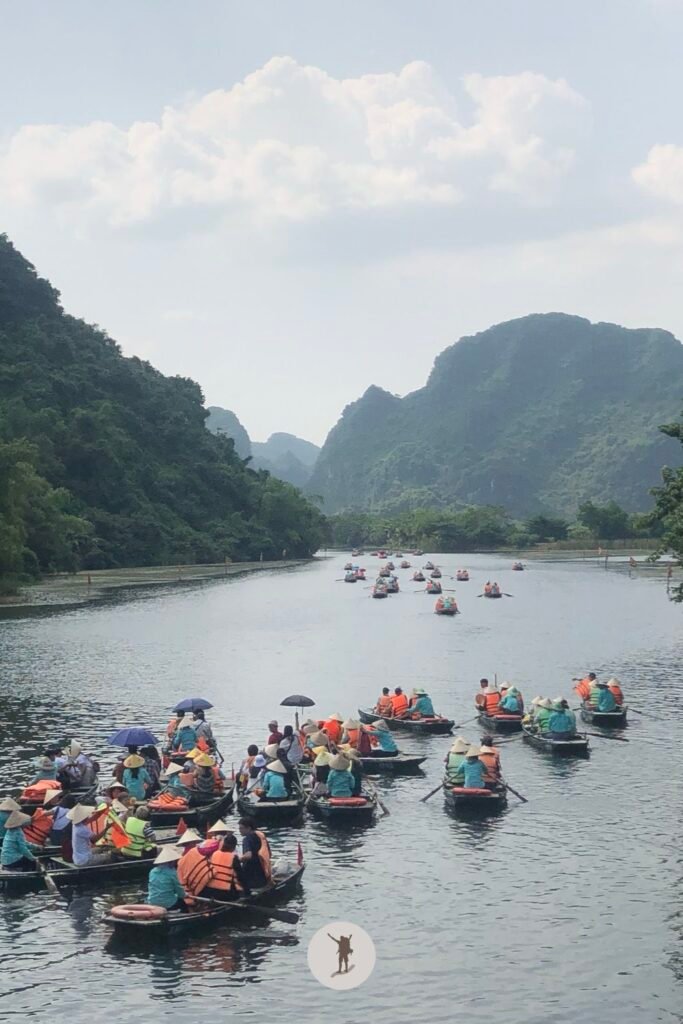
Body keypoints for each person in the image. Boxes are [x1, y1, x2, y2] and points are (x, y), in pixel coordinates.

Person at [205, 832, 251, 901]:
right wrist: (248, 892)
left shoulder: (214, 854)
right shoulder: (233, 857)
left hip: (210, 890)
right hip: (226, 892)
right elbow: (241, 877)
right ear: (234, 846)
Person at [146, 845, 188, 911]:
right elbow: (179, 889)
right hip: (168, 903)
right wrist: (184, 895)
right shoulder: (171, 872)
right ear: (170, 861)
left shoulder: (152, 871)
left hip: (152, 902)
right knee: (183, 904)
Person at [238, 817, 272, 890]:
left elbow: (248, 855)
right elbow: (269, 852)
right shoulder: (261, 836)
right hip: (263, 876)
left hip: (250, 878)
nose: (239, 831)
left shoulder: (247, 839)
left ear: (249, 828)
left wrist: (237, 861)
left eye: (241, 828)